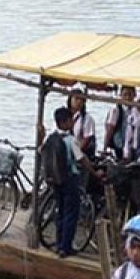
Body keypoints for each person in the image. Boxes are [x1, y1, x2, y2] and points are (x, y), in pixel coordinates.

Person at [42, 106, 95, 258]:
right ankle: (66, 247)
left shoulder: (50, 137)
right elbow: (81, 159)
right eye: (71, 120)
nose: (73, 122)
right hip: (69, 179)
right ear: (65, 122)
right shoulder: (71, 140)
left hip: (55, 180)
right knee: (71, 213)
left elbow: (42, 150)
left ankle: (59, 244)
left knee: (60, 211)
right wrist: (93, 171)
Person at [104, 86, 135, 161]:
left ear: (134, 95)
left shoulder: (136, 110)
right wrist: (105, 147)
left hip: (132, 146)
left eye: (130, 94)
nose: (127, 97)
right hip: (119, 145)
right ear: (121, 96)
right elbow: (109, 130)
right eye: (125, 95)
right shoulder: (116, 111)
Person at [67, 85, 96, 158]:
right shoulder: (65, 115)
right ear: (70, 99)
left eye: (82, 100)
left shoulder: (87, 118)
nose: (79, 102)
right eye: (76, 99)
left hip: (80, 154)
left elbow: (86, 139)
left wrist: (75, 153)